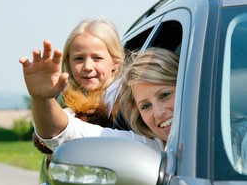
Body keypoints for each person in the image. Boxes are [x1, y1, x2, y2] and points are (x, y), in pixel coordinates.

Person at [19, 46, 179, 152]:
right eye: (145, 106)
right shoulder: (148, 148)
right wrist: (41, 99)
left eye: (165, 95)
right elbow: (66, 132)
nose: (158, 113)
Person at [28, 18, 125, 155]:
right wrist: (41, 99)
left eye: (97, 58)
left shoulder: (123, 96)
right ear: (69, 63)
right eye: (79, 58)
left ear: (115, 61)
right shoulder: (73, 102)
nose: (87, 67)